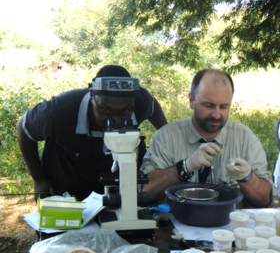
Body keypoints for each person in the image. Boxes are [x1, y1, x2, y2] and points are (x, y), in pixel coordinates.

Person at [17, 65, 167, 201]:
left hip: (117, 191)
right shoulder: (59, 111)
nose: (115, 119)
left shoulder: (141, 101)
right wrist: (39, 178)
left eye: (125, 111)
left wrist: (167, 137)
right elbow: (24, 128)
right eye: (105, 110)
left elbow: (152, 106)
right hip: (66, 193)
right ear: (92, 95)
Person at [141, 69, 275, 208]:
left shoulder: (245, 138)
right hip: (176, 225)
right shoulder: (165, 138)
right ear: (192, 101)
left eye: (223, 107)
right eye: (209, 106)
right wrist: (184, 168)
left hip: (231, 226)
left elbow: (265, 201)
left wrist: (247, 178)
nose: (217, 115)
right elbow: (146, 192)